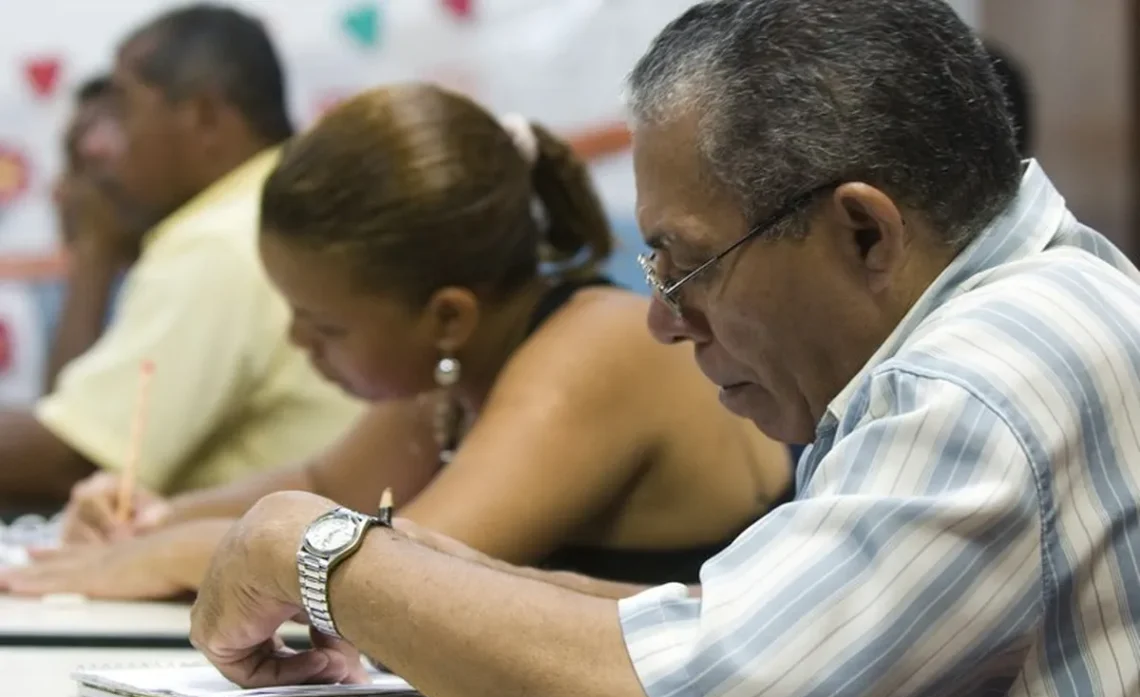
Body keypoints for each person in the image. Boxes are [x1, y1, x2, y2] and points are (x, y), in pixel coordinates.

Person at [179, 1, 1140, 697]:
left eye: (689, 267)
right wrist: (435, 574)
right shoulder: (1041, 303)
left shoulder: (979, 380)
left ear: (862, 233)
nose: (665, 322)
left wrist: (307, 548)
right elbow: (730, 626)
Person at [0, 83, 792, 597]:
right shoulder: (454, 370)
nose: (298, 342)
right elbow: (322, 480)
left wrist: (174, 556)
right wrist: (148, 521)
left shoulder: (597, 350)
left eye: (326, 326)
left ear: (446, 315)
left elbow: (402, 579)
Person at [0, 4, 363, 512]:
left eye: (125, 109)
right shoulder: (283, 201)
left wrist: (92, 254)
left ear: (206, 117)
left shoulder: (221, 238)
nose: (110, 146)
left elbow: (77, 459)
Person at [46, 75, 147, 390]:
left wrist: (94, 249)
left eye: (89, 168)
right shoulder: (52, 300)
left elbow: (68, 423)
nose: (65, 190)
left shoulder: (189, 270)